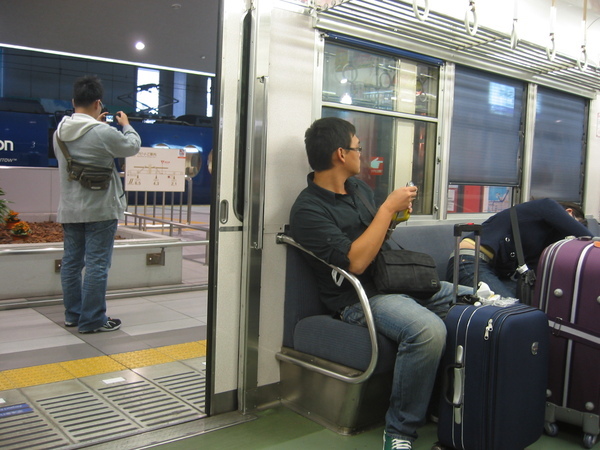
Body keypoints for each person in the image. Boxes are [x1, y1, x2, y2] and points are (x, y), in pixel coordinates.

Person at [289, 117, 473, 450]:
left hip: (395, 281)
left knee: (474, 302)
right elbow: (356, 262)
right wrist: (388, 207)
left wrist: (393, 217)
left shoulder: (359, 190)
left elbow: (376, 239)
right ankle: (400, 431)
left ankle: (451, 403)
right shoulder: (307, 209)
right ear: (341, 154)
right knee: (427, 330)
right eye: (358, 147)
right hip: (358, 298)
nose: (363, 153)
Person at [54, 75, 141, 333]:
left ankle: (74, 315)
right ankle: (92, 320)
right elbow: (132, 147)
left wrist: (95, 124)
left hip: (70, 209)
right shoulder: (103, 131)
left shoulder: (59, 131)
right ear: (98, 102)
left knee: (71, 263)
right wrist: (126, 125)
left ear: (73, 102)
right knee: (97, 264)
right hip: (100, 209)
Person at [447, 198, 592, 298]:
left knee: (533, 306)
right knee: (510, 311)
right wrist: (592, 245)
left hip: (495, 273)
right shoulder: (545, 208)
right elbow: (586, 240)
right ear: (568, 213)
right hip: (469, 261)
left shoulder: (542, 240)